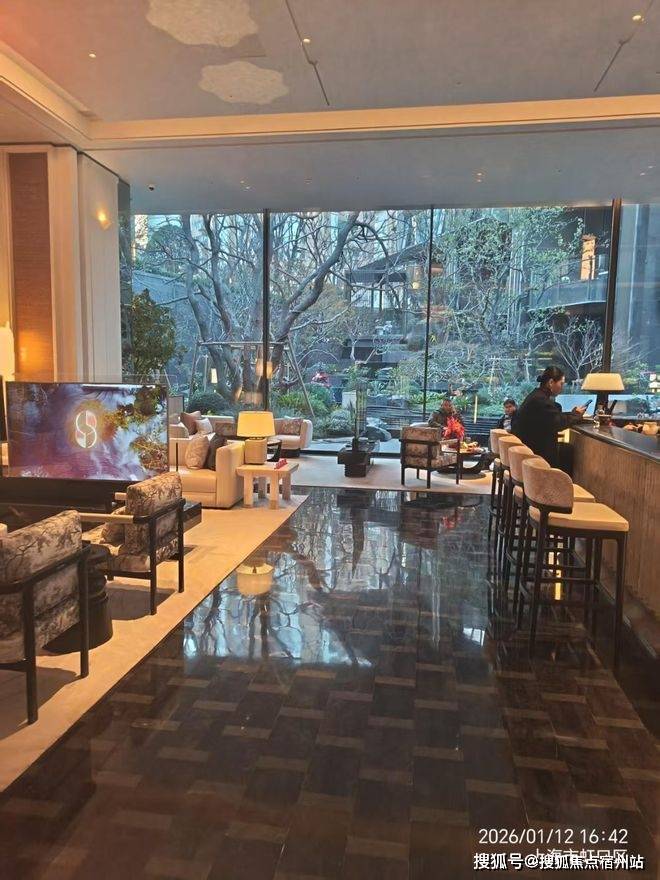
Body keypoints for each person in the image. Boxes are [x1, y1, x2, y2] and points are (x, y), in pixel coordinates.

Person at [515, 366, 587, 466]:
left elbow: (553, 417)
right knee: (568, 452)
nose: (562, 387)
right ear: (551, 382)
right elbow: (558, 422)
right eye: (561, 383)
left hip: (528, 448)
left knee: (566, 450)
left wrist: (573, 414)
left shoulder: (536, 395)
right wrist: (577, 415)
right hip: (536, 453)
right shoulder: (541, 400)